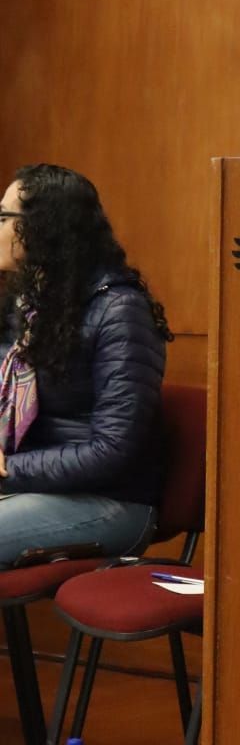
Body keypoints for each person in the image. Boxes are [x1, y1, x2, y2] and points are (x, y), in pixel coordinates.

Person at [0, 163, 170, 566]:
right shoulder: (27, 304)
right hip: (33, 483)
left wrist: (9, 469)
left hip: (113, 502)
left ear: (44, 226)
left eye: (4, 216)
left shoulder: (119, 310)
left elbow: (113, 449)